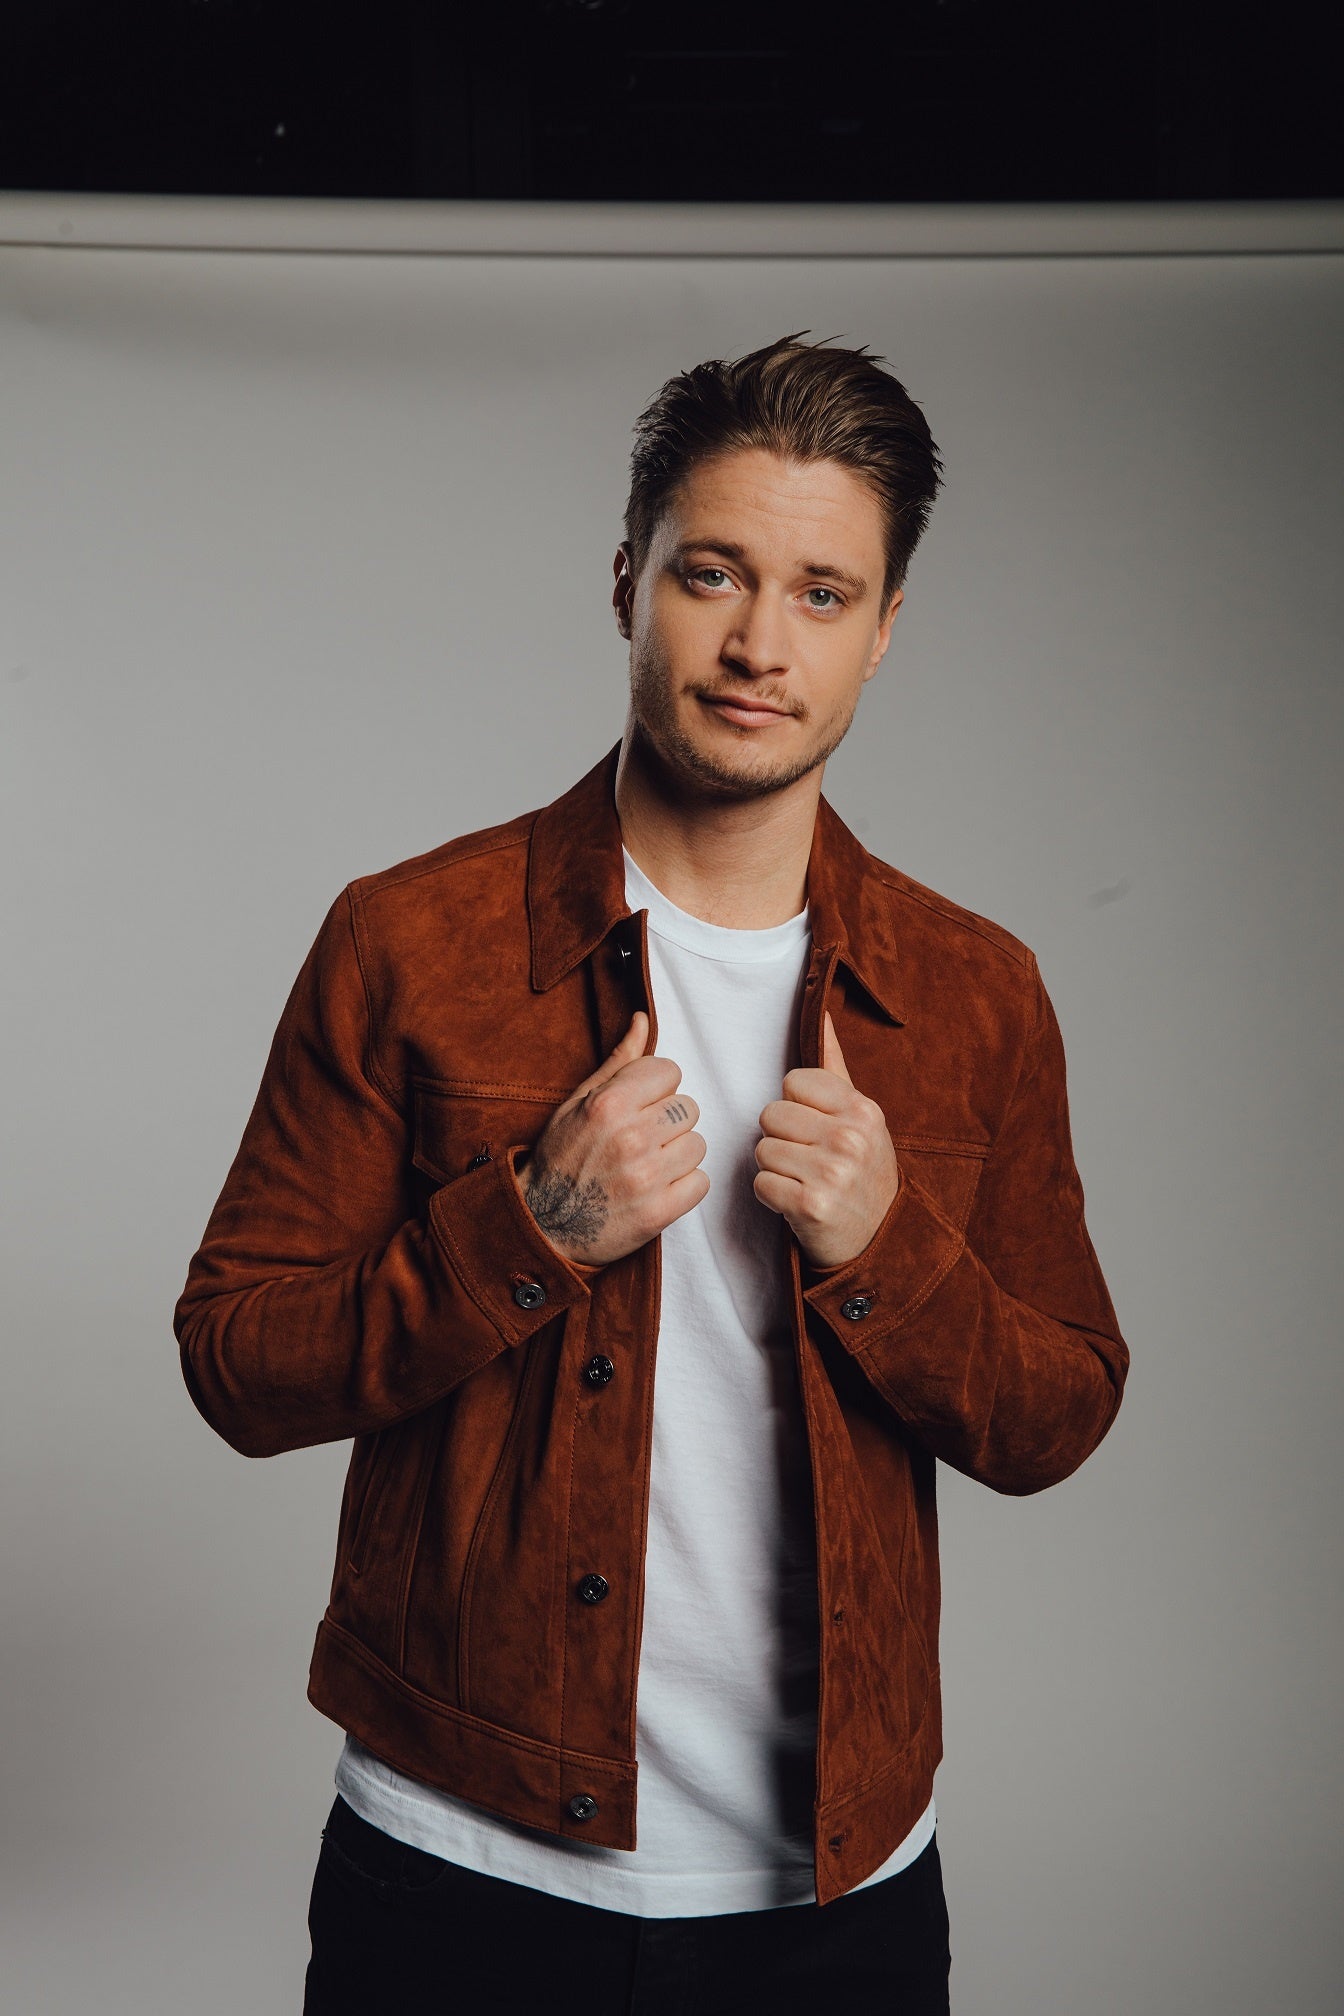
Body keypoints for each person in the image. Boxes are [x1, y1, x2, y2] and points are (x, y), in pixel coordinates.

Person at [174, 332, 1129, 2014]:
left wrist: (891, 1251)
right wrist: (525, 1228)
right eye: (714, 574)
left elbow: (1059, 1414)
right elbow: (235, 1364)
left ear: (884, 630)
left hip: (834, 1898)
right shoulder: (411, 941)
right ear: (628, 579)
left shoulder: (976, 992)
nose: (762, 644)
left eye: (824, 594)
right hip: (460, 1873)